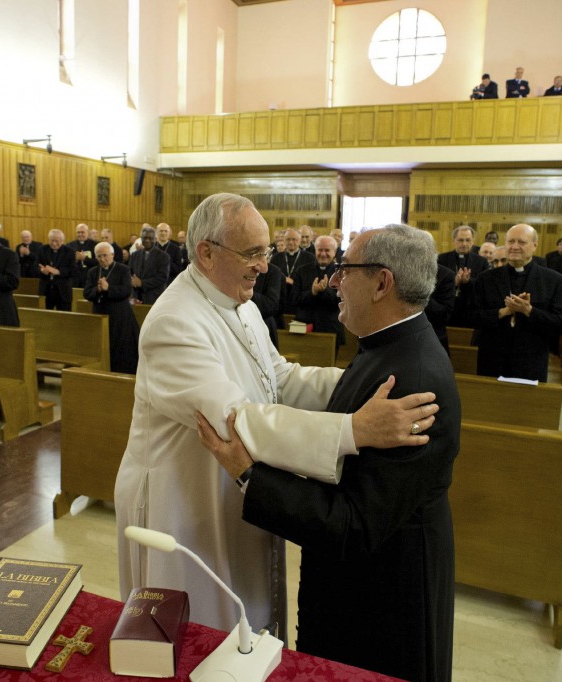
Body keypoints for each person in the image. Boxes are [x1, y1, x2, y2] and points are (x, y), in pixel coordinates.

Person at [114, 193, 439, 636]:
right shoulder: (175, 320)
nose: (265, 266)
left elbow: (279, 378)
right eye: (252, 253)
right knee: (202, 631)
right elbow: (233, 419)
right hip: (186, 501)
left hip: (233, 486)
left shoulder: (242, 305)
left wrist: (358, 380)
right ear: (206, 253)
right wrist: (351, 430)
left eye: (265, 251)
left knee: (247, 615)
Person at [196, 224, 460, 681]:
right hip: (360, 588)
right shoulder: (388, 343)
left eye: (345, 269)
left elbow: (355, 527)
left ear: (381, 283)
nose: (334, 280)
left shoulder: (413, 380)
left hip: (383, 607)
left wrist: (248, 475)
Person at [473, 224, 562, 382]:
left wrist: (529, 310)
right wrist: (502, 312)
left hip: (531, 362)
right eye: (510, 241)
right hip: (492, 360)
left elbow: (560, 324)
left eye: (521, 242)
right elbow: (472, 317)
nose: (514, 247)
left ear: (535, 245)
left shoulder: (554, 280)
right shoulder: (486, 279)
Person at [84, 242, 139, 374]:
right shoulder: (93, 272)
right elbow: (86, 293)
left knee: (121, 348)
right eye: (99, 256)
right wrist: (97, 289)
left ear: (112, 255)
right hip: (100, 314)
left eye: (105, 255)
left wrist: (108, 288)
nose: (102, 259)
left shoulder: (123, 269)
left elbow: (126, 291)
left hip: (120, 316)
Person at [292, 235, 343, 346]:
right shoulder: (302, 271)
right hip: (303, 326)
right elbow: (294, 300)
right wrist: (312, 293)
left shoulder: (341, 273)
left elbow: (341, 303)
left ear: (334, 252)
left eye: (327, 250)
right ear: (315, 251)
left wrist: (326, 291)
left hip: (330, 328)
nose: (323, 254)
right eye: (320, 250)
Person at [437, 225, 489, 328]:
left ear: (472, 241)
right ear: (454, 241)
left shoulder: (481, 261)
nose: (464, 244)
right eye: (460, 240)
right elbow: (435, 284)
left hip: (470, 309)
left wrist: (468, 281)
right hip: (448, 308)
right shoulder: (441, 259)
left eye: (468, 240)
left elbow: (484, 286)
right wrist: (453, 282)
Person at [274, 228, 317, 315]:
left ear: (299, 240)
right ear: (284, 240)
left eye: (294, 239)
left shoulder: (310, 258)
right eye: (288, 239)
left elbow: (310, 280)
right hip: (281, 300)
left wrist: (294, 283)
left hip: (300, 301)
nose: (291, 242)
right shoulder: (276, 258)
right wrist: (283, 279)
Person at [129, 225, 171, 303]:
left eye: (150, 238)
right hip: (136, 296)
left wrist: (142, 283)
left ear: (155, 239)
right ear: (141, 239)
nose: (147, 240)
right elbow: (130, 273)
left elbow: (162, 278)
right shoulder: (134, 255)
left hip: (154, 297)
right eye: (145, 238)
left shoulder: (164, 256)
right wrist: (132, 281)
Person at [37, 229, 76, 311]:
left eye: (57, 241)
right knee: (44, 318)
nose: (54, 244)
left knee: (64, 319)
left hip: (63, 292)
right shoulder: (42, 250)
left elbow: (73, 271)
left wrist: (58, 271)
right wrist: (42, 270)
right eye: (52, 241)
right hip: (46, 291)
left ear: (62, 241)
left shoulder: (70, 252)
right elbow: (35, 267)